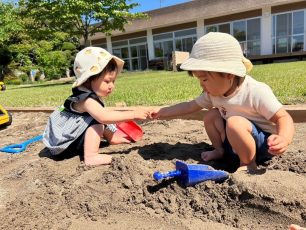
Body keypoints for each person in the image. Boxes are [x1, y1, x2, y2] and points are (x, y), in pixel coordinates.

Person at [150, 32, 294, 171]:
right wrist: (162, 112)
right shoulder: (213, 93)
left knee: (235, 123)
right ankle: (220, 150)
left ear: (229, 74)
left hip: (263, 147)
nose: (202, 85)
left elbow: (283, 117)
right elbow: (190, 106)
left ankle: (248, 164)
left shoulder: (255, 91)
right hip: (233, 143)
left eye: (204, 79)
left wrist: (283, 139)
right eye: (199, 79)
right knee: (212, 115)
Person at [43, 47, 150, 166]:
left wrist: (111, 138)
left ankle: (110, 139)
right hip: (64, 147)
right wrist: (134, 114)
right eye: (107, 81)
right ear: (88, 79)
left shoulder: (86, 94)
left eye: (113, 81)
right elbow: (104, 118)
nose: (111, 86)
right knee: (97, 121)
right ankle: (91, 156)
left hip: (66, 140)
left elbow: (104, 117)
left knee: (98, 118)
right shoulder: (87, 100)